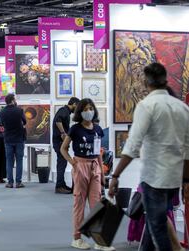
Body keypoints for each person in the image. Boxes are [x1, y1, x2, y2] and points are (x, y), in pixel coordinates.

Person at [109, 63, 189, 251]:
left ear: (146, 82)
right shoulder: (182, 108)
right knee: (154, 226)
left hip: (154, 178)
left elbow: (132, 146)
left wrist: (115, 175)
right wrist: (186, 180)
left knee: (157, 228)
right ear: (165, 80)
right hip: (173, 179)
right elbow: (187, 148)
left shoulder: (147, 106)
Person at [60, 98, 112, 250]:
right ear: (80, 112)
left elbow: (99, 152)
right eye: (85, 109)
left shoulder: (97, 129)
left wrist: (102, 172)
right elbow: (64, 148)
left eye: (91, 108)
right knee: (79, 203)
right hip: (80, 165)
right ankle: (77, 238)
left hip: (95, 166)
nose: (88, 111)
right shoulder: (75, 129)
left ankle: (99, 240)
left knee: (96, 204)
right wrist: (73, 162)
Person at [52, 97, 79, 194]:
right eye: (77, 106)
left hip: (59, 141)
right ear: (74, 104)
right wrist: (63, 133)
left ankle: (61, 184)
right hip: (59, 141)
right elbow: (58, 121)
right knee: (61, 164)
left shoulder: (65, 111)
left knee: (62, 163)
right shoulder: (64, 110)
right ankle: (59, 186)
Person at [0, 94, 26, 188]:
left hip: (8, 139)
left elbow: (0, 124)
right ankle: (18, 182)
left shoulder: (2, 112)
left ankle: (10, 182)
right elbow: (25, 121)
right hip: (19, 138)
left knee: (9, 161)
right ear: (13, 100)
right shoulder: (19, 110)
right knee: (19, 161)